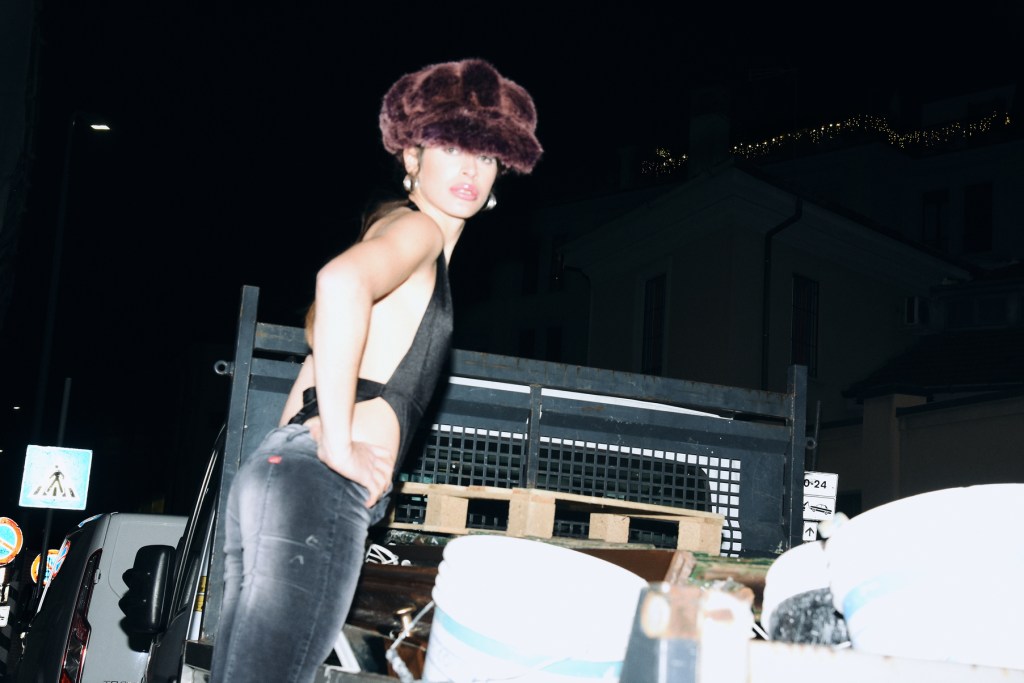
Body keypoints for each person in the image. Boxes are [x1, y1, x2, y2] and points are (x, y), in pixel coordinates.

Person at [209, 58, 542, 683]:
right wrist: (336, 447)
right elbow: (339, 283)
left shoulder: (388, 227)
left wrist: (288, 456)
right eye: (451, 148)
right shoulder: (417, 231)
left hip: (278, 471)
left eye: (486, 155)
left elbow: (316, 364)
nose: (470, 169)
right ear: (412, 156)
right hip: (316, 480)